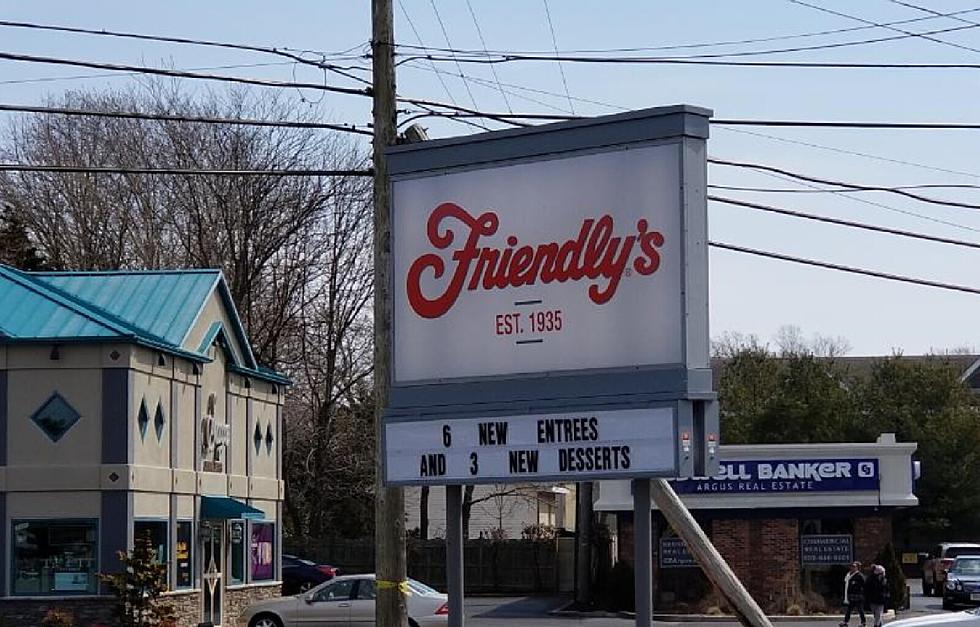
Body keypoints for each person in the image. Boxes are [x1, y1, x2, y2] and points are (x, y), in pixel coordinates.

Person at [841, 561, 867, 627]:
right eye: (851, 566)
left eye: (854, 567)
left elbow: (864, 585)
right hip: (851, 595)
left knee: (860, 609)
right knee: (849, 610)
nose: (852, 568)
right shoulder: (848, 575)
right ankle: (845, 622)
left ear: (857, 568)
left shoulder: (860, 576)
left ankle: (863, 623)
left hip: (858, 596)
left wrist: (860, 591)